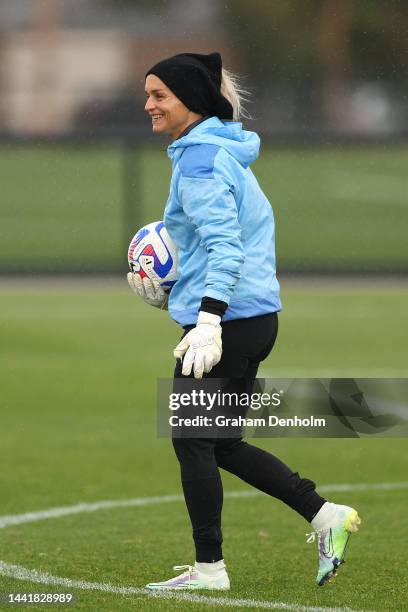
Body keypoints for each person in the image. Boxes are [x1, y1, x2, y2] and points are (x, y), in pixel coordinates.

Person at [127, 52, 361, 590]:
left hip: (227, 321)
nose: (149, 105)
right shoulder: (216, 151)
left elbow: (226, 247)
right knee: (222, 443)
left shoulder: (200, 161)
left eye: (160, 95)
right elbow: (219, 244)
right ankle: (326, 516)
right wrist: (184, 290)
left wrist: (207, 320)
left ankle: (209, 569)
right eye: (148, 94)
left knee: (191, 440)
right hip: (254, 318)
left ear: (192, 100)